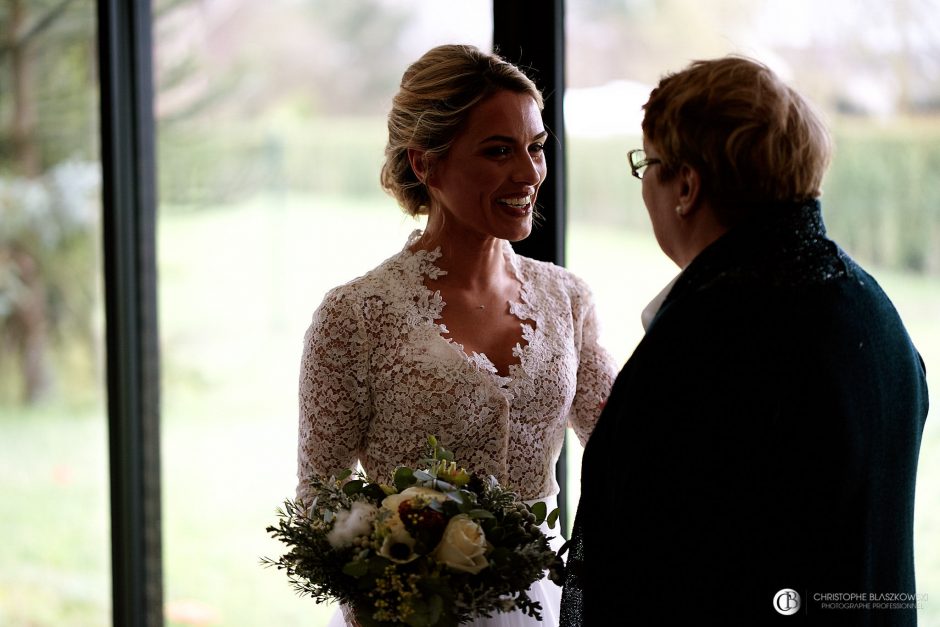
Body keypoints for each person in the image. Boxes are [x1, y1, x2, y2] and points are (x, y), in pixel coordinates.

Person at [560, 56, 929, 626]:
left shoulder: (710, 342)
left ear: (686, 184)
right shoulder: (871, 306)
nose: (645, 185)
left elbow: (641, 570)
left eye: (647, 165)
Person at [297, 44, 618, 627]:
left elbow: (626, 446)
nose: (528, 173)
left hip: (541, 605)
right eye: (498, 151)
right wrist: (386, 587)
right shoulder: (355, 316)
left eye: (536, 148)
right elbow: (320, 499)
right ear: (425, 165)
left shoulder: (566, 298)